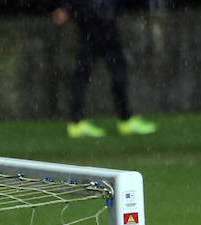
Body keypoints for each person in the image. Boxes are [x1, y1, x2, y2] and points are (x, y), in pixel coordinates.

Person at [52, 0, 156, 138]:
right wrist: (66, 8)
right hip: (92, 27)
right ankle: (77, 122)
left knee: (116, 74)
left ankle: (124, 119)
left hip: (104, 26)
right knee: (84, 75)